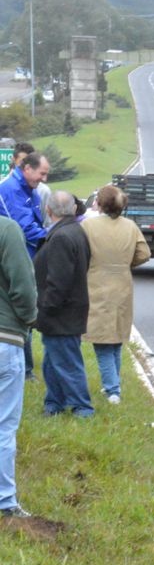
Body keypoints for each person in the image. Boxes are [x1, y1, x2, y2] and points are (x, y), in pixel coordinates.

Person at [82, 185, 151, 404]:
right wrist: (125, 263)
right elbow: (144, 254)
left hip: (96, 284)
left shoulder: (88, 226)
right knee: (116, 338)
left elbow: (79, 251)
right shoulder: (130, 226)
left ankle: (112, 390)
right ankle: (113, 385)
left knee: (102, 341)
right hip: (122, 284)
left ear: (100, 204)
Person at [34, 191, 93, 418]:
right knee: (53, 360)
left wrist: (45, 308)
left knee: (67, 363)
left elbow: (58, 282)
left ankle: (82, 408)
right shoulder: (75, 230)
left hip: (60, 313)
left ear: (48, 210)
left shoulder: (61, 237)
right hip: (70, 310)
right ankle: (54, 404)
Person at [0, 200, 38, 517]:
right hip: (4, 338)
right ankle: (5, 502)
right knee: (3, 426)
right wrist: (28, 320)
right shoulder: (7, 230)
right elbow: (23, 287)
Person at [0, 146, 43, 380]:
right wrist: (53, 236)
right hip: (17, 257)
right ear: (26, 168)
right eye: (42, 174)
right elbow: (24, 228)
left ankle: (26, 368)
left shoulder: (29, 189)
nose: (44, 179)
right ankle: (25, 370)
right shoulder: (11, 189)